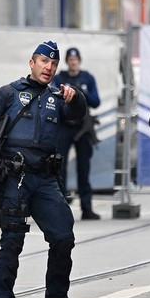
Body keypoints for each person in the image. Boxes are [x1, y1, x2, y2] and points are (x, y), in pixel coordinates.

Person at [0, 41, 88, 298]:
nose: (49, 67)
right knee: (12, 242)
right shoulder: (8, 93)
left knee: (63, 236)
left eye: (53, 64)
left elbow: (78, 113)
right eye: (44, 61)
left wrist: (76, 97)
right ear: (31, 63)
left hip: (45, 179)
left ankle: (56, 296)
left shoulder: (57, 97)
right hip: (14, 178)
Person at [51, 47, 101, 220]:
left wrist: (81, 92)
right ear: (67, 61)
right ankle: (60, 208)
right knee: (60, 167)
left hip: (83, 127)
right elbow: (53, 99)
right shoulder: (60, 78)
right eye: (70, 60)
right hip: (65, 126)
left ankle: (87, 208)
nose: (73, 62)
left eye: (75, 59)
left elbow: (96, 102)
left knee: (83, 168)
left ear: (79, 61)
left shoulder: (87, 78)